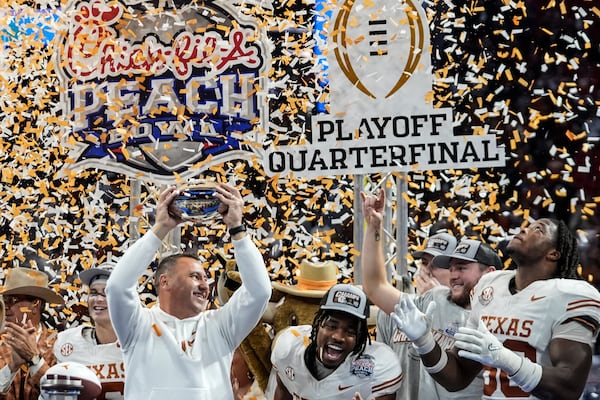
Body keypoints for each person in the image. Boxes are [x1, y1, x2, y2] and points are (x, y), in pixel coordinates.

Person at [392, 217, 600, 399]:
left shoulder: (571, 294)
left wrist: (505, 359)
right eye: (527, 226)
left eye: (539, 229)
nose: (524, 229)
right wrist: (424, 341)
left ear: (554, 254)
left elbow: (569, 387)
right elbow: (457, 377)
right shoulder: (490, 286)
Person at [105, 183, 271, 400]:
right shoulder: (137, 326)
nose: (205, 285)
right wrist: (161, 228)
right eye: (195, 276)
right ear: (165, 282)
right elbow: (117, 287)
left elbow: (259, 292)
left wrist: (237, 229)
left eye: (205, 278)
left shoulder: (220, 326)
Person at [360, 190, 500, 400]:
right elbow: (375, 287)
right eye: (451, 268)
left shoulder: (499, 318)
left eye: (461, 267)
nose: (454, 275)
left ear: (489, 274)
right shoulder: (434, 300)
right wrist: (374, 227)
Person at [270, 283, 403, 400]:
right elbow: (283, 391)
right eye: (331, 326)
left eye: (350, 332)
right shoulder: (290, 348)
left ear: (360, 337)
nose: (338, 337)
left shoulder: (379, 366)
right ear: (317, 324)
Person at [53, 262, 124, 399]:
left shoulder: (142, 341)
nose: (98, 299)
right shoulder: (68, 343)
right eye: (93, 293)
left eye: (106, 293)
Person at [0, 267, 65, 399]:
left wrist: (34, 360)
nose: (6, 306)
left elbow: (62, 395)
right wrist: (12, 367)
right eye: (5, 300)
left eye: (12, 300)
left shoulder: (61, 345)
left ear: (35, 304)